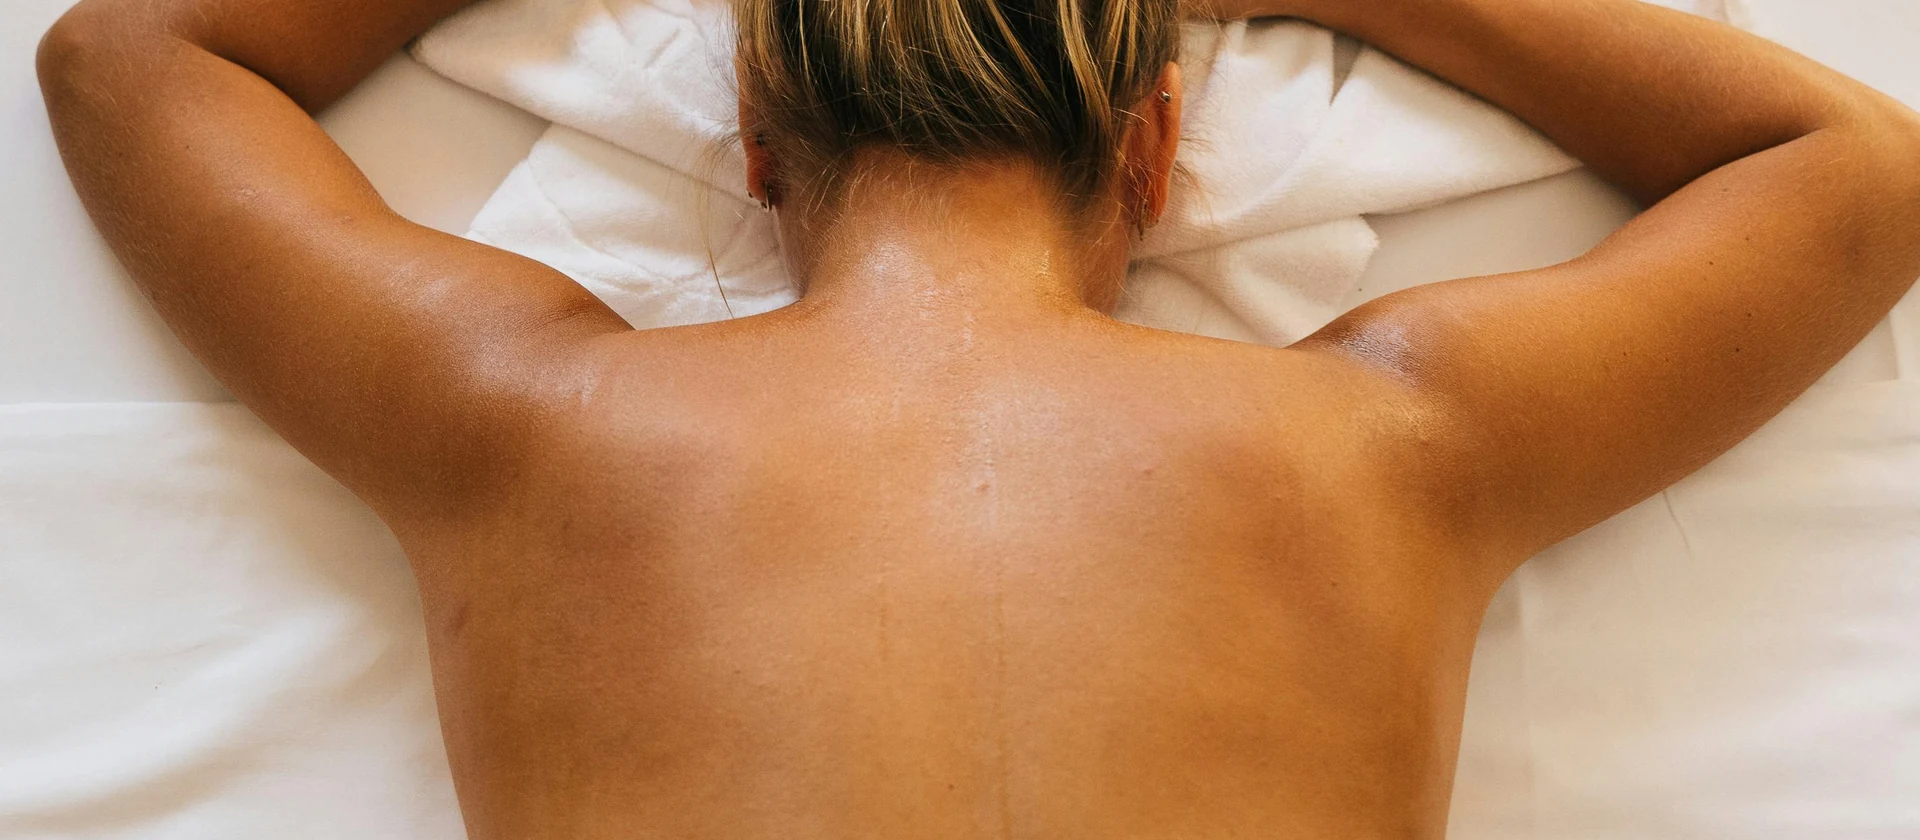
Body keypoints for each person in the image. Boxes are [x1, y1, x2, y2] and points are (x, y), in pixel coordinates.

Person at [34, 0, 1920, 835]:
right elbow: (1849, 166)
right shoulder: (1385, 447)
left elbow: (126, 58)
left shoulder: (536, 425)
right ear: (1160, 151)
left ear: (760, 146)